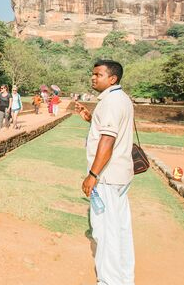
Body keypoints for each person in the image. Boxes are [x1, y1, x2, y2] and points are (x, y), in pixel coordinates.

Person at [74, 60, 135, 285]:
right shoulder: (121, 99)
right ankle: (124, 278)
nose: (93, 78)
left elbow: (107, 140)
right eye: (93, 74)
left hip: (107, 177)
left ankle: (109, 281)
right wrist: (90, 119)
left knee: (104, 230)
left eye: (98, 75)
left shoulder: (111, 102)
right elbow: (107, 130)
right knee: (120, 228)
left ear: (113, 79)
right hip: (119, 174)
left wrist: (93, 174)